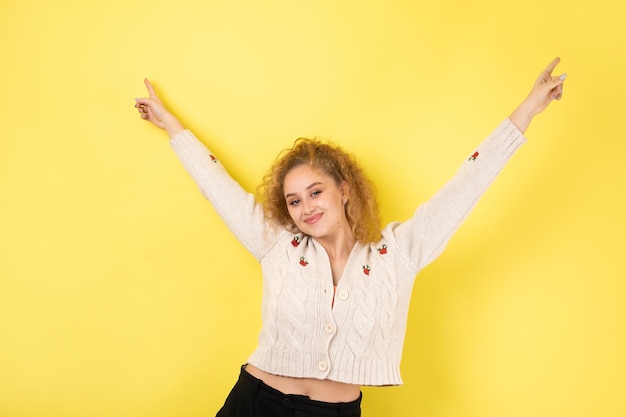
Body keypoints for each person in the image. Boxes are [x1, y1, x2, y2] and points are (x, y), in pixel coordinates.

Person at [134, 58, 566, 417]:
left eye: (316, 192)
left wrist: (527, 109)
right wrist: (173, 126)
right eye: (294, 201)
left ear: (344, 190)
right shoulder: (277, 245)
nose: (306, 208)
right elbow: (217, 185)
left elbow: (466, 186)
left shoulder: (396, 253)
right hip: (255, 403)